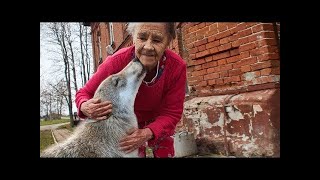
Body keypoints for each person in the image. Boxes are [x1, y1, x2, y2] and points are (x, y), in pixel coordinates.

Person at [75, 22, 187, 158]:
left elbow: (172, 113)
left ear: (168, 41)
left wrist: (149, 132)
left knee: (165, 151)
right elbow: (84, 93)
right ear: (133, 37)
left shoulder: (176, 67)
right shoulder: (116, 61)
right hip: (126, 123)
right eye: (142, 38)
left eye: (157, 40)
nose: (148, 47)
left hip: (159, 121)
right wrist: (85, 105)